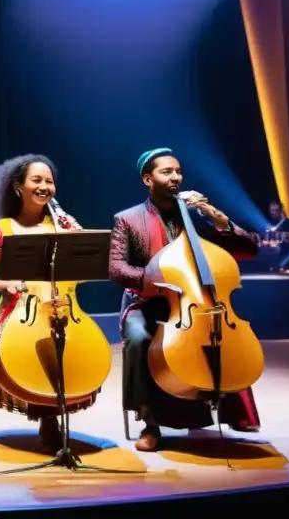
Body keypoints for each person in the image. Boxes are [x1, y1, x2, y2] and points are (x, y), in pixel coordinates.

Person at [109, 148, 262, 452]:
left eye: (178, 171)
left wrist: (212, 212)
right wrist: (153, 279)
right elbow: (116, 268)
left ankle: (226, 409)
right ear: (147, 179)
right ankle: (149, 422)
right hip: (147, 302)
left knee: (220, 336)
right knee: (139, 340)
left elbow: (249, 249)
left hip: (195, 305)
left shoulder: (195, 218)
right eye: (167, 172)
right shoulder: (127, 219)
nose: (176, 177)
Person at [0, 154, 95, 450]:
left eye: (49, 181)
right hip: (20, 308)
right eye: (36, 180)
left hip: (62, 306)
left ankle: (57, 411)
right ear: (18, 187)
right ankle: (48, 419)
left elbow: (86, 273)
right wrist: (6, 283)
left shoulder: (63, 225)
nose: (44, 186)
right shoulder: (2, 229)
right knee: (33, 342)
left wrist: (78, 240)